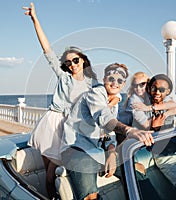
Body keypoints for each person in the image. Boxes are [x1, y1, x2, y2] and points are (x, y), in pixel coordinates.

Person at [23, 3, 101, 198]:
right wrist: (35, 19)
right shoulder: (63, 77)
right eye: (68, 62)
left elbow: (99, 106)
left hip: (69, 129)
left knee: (52, 174)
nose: (72, 64)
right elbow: (47, 49)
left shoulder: (93, 84)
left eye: (76, 60)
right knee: (49, 175)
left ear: (83, 60)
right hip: (51, 122)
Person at [61, 63, 154, 200]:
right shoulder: (95, 93)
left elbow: (109, 132)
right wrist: (129, 130)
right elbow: (104, 118)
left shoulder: (114, 102)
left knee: (137, 173)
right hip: (78, 149)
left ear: (123, 84)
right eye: (111, 78)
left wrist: (111, 151)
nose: (115, 83)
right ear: (104, 79)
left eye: (120, 80)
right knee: (90, 197)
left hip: (98, 151)